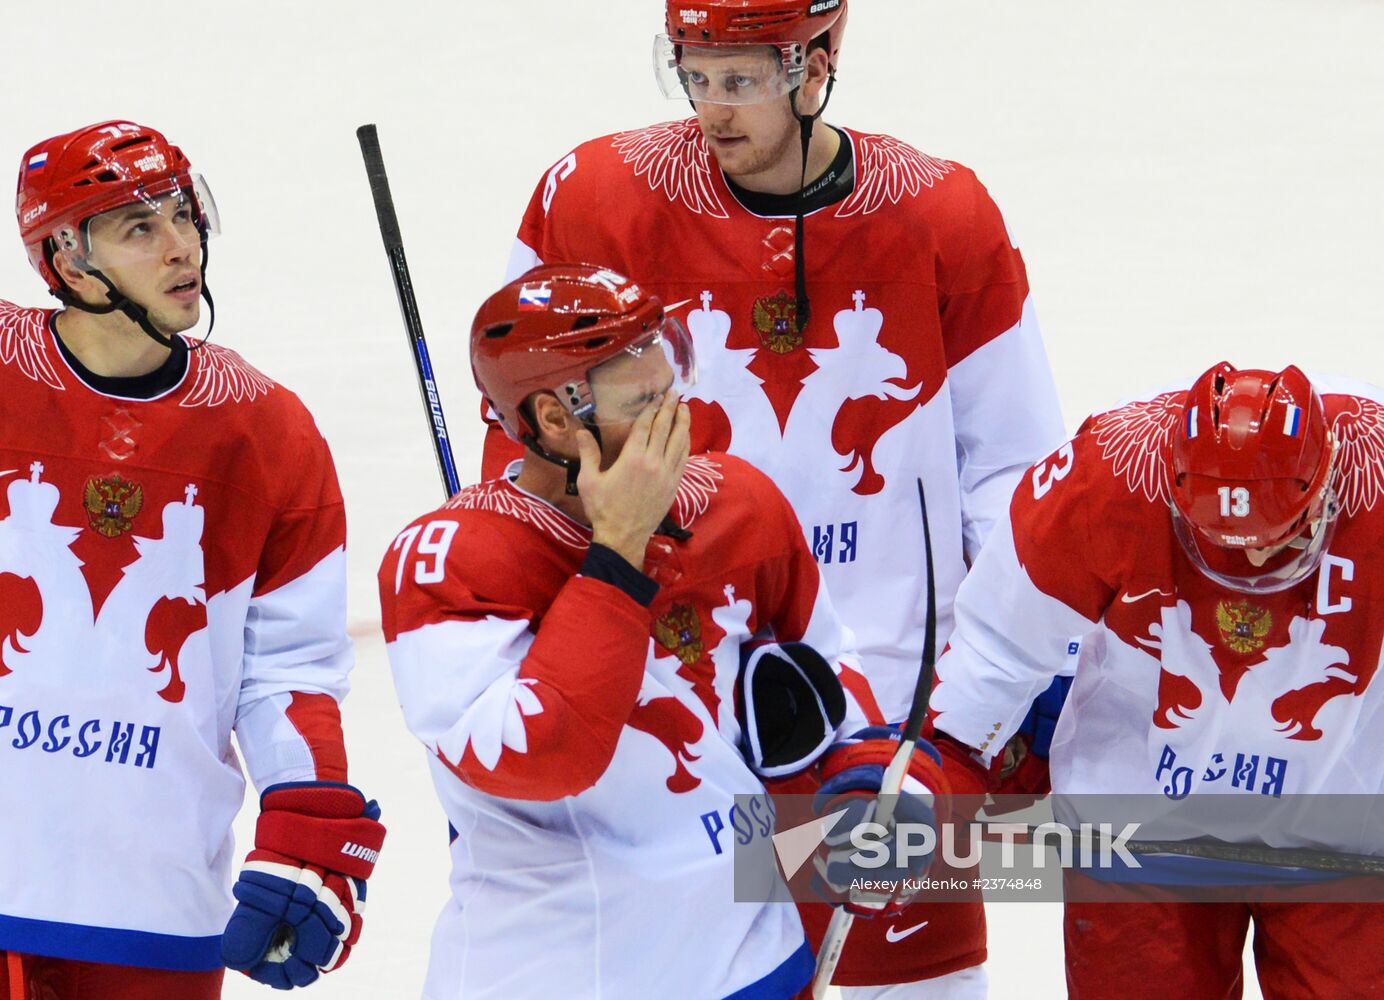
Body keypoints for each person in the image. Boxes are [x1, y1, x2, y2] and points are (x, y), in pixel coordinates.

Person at [487, 1, 1067, 993]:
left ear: (817, 62)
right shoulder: (594, 196)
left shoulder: (939, 211)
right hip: (683, 703)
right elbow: (525, 433)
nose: (713, 111)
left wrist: (1012, 685)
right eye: (694, 75)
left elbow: (1012, 470)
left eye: (742, 80)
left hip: (891, 707)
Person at [378, 263, 950, 999]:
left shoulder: (737, 502)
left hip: (753, 961)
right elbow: (543, 756)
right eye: (645, 403)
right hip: (554, 973)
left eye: (672, 383)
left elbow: (830, 667)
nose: (679, 417)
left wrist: (870, 780)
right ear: (555, 420)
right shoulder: (446, 562)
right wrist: (616, 553)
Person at [0, 120, 384, 999]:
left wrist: (305, 814)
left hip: (150, 906)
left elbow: (288, 666)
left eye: (184, 215)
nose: (183, 247)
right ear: (65, 256)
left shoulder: (268, 430)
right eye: (141, 227)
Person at [927, 362, 1384, 997]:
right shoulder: (1106, 476)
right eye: (1225, 542)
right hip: (1139, 820)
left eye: (1272, 541)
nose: (1250, 563)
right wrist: (952, 753)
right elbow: (1002, 633)